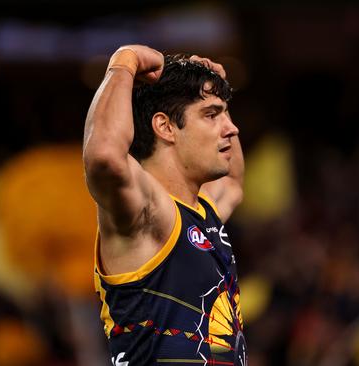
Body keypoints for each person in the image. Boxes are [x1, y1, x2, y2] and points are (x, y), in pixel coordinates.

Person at [83, 44, 246, 365]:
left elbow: (233, 182)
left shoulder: (204, 210)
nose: (232, 128)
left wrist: (214, 84)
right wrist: (123, 63)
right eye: (211, 115)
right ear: (165, 127)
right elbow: (104, 157)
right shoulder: (148, 214)